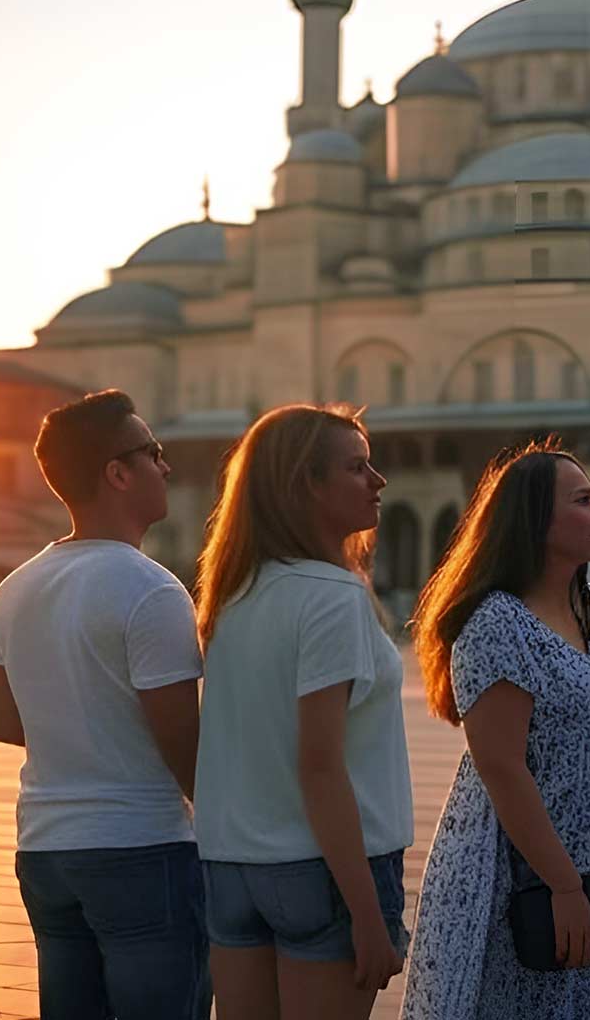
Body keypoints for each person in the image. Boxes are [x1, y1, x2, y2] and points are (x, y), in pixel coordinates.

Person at [0, 390, 210, 1020]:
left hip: (47, 849)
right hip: (141, 848)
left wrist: (77, 725)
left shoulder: (13, 589)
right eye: (153, 453)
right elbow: (181, 740)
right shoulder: (151, 589)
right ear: (117, 472)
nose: (166, 467)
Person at [402, 441, 590, 1018]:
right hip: (518, 875)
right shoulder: (496, 624)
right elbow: (501, 767)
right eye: (582, 501)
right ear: (535, 519)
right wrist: (564, 885)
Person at [191, 405, 412, 1019]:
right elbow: (319, 766)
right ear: (306, 486)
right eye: (356, 467)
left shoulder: (232, 595)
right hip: (323, 871)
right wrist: (368, 917)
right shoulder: (334, 597)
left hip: (233, 865)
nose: (378, 481)